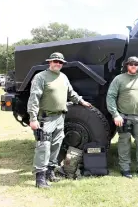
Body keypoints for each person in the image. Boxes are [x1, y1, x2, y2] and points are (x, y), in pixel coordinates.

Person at [27, 52, 92, 188]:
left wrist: (81, 101)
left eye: (60, 62)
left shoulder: (63, 77)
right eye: (55, 61)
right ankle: (40, 178)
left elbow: (71, 93)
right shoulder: (40, 77)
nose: (58, 64)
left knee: (56, 145)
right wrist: (33, 118)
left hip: (60, 117)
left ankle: (50, 172)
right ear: (49, 62)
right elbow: (34, 98)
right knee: (43, 146)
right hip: (46, 117)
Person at [106, 56, 138, 179]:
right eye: (131, 64)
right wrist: (115, 115)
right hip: (123, 117)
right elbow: (110, 97)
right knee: (124, 142)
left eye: (136, 64)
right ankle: (125, 169)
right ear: (127, 65)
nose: (133, 66)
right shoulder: (119, 79)